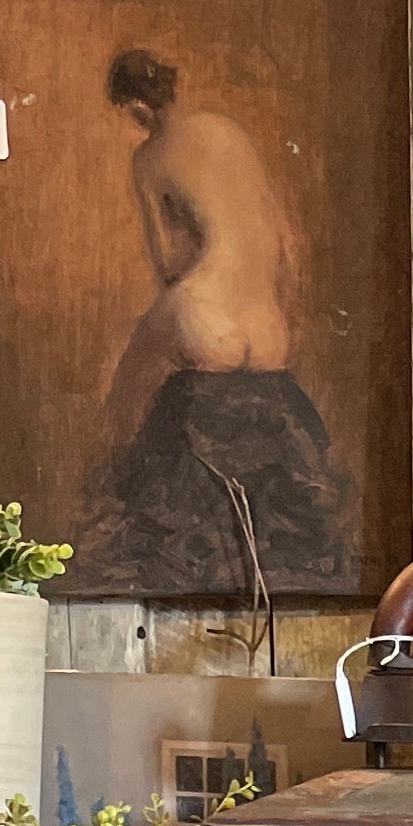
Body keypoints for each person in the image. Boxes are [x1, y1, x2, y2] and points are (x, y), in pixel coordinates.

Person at [72, 45, 355, 594]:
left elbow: (170, 262)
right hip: (269, 329)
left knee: (126, 388)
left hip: (206, 314)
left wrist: (186, 310)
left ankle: (119, 518)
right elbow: (286, 239)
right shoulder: (228, 132)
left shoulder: (151, 157)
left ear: (134, 108)